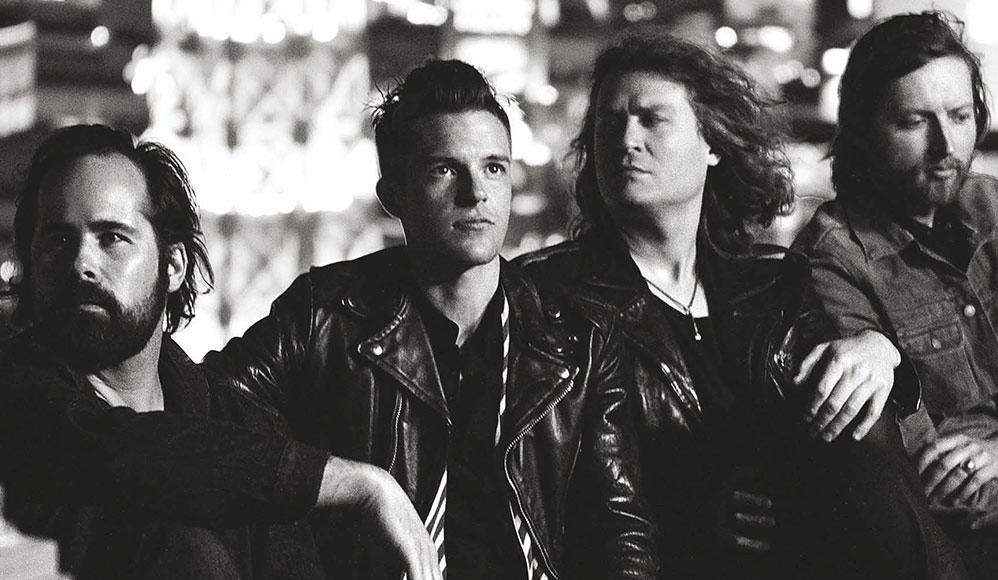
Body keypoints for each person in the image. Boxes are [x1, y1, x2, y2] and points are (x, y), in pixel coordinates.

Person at [517, 26, 965, 579]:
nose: (625, 140)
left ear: (712, 144)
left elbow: (847, 428)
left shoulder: (770, 285)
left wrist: (879, 351)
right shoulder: (552, 295)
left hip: (797, 555)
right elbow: (560, 495)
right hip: (667, 563)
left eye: (651, 119)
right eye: (608, 124)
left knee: (862, 422)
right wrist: (688, 515)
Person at [200, 59, 656, 580]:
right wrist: (355, 486)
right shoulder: (325, 317)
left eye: (494, 167)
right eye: (445, 170)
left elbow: (622, 531)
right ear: (393, 196)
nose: (476, 193)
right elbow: (201, 421)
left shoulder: (579, 338)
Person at [0, 124, 441, 580]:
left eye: (111, 237)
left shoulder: (238, 421)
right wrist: (360, 484)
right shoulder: (15, 395)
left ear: (173, 265)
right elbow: (127, 453)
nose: (81, 264)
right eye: (57, 240)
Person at [793, 11, 998, 578]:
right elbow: (918, 478)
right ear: (863, 129)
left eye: (960, 116)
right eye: (914, 122)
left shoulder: (993, 207)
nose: (945, 145)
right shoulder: (834, 258)